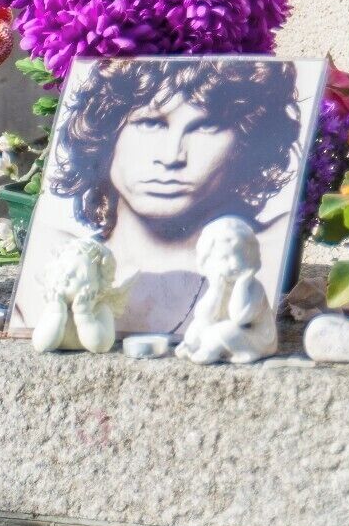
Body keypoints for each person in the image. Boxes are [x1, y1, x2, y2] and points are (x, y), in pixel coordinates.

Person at [39, 57, 305, 337]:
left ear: (243, 144)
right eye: (151, 123)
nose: (171, 156)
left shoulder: (270, 253)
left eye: (207, 126)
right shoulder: (53, 268)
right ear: (106, 132)